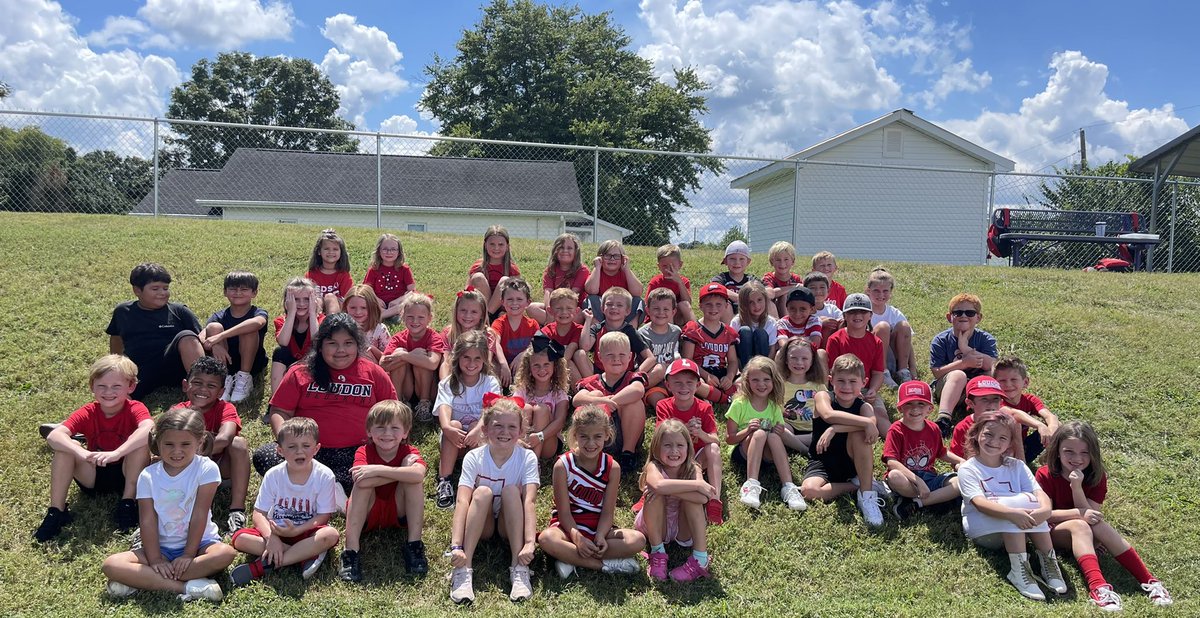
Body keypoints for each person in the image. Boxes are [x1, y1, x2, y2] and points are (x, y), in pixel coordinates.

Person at [253, 314, 398, 493]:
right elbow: (280, 411)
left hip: (358, 452)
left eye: (348, 343)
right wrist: (289, 444)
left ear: (358, 345)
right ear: (320, 346)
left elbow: (392, 413)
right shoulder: (301, 372)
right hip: (308, 452)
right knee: (264, 456)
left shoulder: (373, 372)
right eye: (332, 343)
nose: (340, 350)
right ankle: (327, 487)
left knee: (381, 471)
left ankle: (317, 487)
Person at [101, 408, 234, 602]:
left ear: (200, 442)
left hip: (200, 546)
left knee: (225, 553)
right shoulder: (148, 475)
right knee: (111, 565)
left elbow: (199, 514)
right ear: (158, 443)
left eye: (185, 444)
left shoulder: (206, 468)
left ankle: (142, 580)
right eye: (169, 444)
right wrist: (155, 559)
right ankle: (187, 586)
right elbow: (147, 520)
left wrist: (188, 554)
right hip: (159, 547)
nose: (176, 451)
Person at [1036, 421, 1172, 610]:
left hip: (1087, 533)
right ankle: (1098, 587)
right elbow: (1046, 515)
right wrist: (1079, 513)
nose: (1077, 458)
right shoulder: (1045, 474)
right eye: (1069, 451)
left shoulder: (1096, 476)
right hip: (1053, 532)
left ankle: (1150, 581)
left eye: (1084, 453)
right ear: (1057, 450)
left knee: (1095, 523)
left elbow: (1091, 514)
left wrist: (1076, 488)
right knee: (1080, 524)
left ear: (1093, 454)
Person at [35, 355, 151, 541]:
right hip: (93, 474)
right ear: (92, 387)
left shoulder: (135, 408)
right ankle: (57, 512)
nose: (108, 392)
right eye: (102, 386)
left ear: (131, 386)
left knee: (140, 446)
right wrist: (81, 451)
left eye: (116, 386)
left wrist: (118, 453)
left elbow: (148, 429)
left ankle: (128, 503)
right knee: (66, 447)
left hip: (127, 474)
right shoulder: (89, 411)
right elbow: (54, 435)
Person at [958, 413, 1066, 602]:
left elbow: (1040, 495)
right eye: (988, 434)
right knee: (1016, 503)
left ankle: (1048, 562)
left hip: (1018, 524)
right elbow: (979, 504)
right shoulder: (968, 468)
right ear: (976, 434)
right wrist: (1012, 513)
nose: (994, 442)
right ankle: (1019, 571)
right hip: (983, 529)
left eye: (1002, 438)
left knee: (1032, 501)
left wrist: (1046, 510)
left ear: (1010, 443)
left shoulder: (1016, 466)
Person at [447, 396, 540, 604]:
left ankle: (519, 567)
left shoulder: (527, 457)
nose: (504, 432)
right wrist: (456, 546)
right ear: (485, 429)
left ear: (521, 431)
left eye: (511, 427)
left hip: (510, 523)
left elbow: (530, 503)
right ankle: (463, 568)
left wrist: (529, 543)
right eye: (497, 426)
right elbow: (462, 501)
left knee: (510, 492)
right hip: (484, 525)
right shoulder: (474, 457)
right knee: (482, 493)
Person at [538, 405, 646, 579]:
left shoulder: (612, 467)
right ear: (574, 436)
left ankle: (569, 558)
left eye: (597, 437)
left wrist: (601, 536)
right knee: (546, 539)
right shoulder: (563, 465)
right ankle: (603, 565)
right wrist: (577, 538)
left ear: (607, 435)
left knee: (638, 540)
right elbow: (563, 513)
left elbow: (607, 512)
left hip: (598, 528)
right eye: (584, 437)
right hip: (567, 528)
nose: (591, 443)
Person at [232, 417, 342, 586]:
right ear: (280, 450)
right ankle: (303, 556)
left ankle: (263, 566)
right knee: (240, 538)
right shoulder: (274, 475)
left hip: (307, 531)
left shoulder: (324, 475)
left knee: (330, 535)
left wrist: (297, 530)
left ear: (316, 448)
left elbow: (323, 516)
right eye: (292, 447)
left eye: (306, 446)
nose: (300, 452)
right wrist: (271, 538)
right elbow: (259, 513)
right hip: (275, 530)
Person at [339, 400, 428, 582]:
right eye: (380, 427)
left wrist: (376, 470)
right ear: (369, 431)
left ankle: (414, 545)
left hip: (398, 508)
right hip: (369, 511)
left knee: (413, 482)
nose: (387, 433)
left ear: (405, 432)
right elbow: (361, 481)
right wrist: (402, 471)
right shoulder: (363, 451)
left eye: (395, 428)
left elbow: (418, 475)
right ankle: (351, 551)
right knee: (362, 485)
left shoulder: (410, 452)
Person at [800, 354, 886, 528]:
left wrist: (835, 429)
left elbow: (872, 431)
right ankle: (860, 487)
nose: (846, 387)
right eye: (841, 381)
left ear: (864, 382)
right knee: (809, 491)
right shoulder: (823, 397)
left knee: (859, 435)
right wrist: (866, 423)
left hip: (852, 461)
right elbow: (829, 415)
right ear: (831, 380)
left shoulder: (864, 407)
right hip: (822, 460)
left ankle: (867, 496)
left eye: (853, 381)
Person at [170, 357, 250, 532]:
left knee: (238, 443)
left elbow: (225, 438)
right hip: (185, 471)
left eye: (211, 386)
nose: (203, 389)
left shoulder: (225, 408)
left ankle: (237, 510)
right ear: (185, 385)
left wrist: (193, 451)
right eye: (197, 383)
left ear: (221, 392)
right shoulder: (177, 411)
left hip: (220, 469)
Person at [106, 262, 203, 401]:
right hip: (142, 369)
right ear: (137, 290)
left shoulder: (179, 310)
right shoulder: (123, 312)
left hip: (175, 367)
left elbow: (199, 338)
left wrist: (216, 344)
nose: (162, 293)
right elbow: (116, 338)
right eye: (155, 288)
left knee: (186, 336)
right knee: (117, 398)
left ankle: (199, 389)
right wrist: (114, 364)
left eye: (165, 288)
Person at [634, 419, 715, 582]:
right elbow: (657, 485)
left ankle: (701, 559)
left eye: (680, 445)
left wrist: (676, 491)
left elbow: (702, 498)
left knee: (692, 500)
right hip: (657, 525)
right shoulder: (654, 466)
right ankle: (657, 552)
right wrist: (696, 485)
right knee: (654, 494)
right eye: (667, 445)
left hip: (683, 527)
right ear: (657, 447)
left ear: (688, 447)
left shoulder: (693, 468)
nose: (674, 451)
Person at [726, 357, 805, 511]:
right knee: (760, 434)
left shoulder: (774, 405)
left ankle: (789, 487)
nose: (761, 384)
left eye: (766, 379)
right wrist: (748, 430)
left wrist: (779, 430)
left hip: (767, 456)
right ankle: (751, 484)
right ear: (747, 381)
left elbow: (780, 429)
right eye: (755, 380)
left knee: (773, 436)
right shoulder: (740, 404)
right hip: (743, 452)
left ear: (773, 381)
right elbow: (729, 439)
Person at [434, 330, 502, 510]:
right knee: (454, 424)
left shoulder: (490, 382)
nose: (471, 364)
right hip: (453, 442)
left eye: (477, 359)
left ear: (484, 360)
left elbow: (490, 411)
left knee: (477, 424)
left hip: (479, 439)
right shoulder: (448, 382)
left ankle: (479, 482)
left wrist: (478, 429)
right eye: (466, 358)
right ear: (457, 357)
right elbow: (444, 408)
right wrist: (447, 427)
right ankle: (445, 481)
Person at [655, 358, 724, 524]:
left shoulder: (704, 407)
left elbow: (715, 439)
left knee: (713, 448)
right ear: (668, 385)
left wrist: (700, 433)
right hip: (673, 456)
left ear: (698, 385)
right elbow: (659, 436)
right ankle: (651, 494)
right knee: (660, 454)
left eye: (689, 382)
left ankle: (715, 500)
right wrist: (685, 428)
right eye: (677, 382)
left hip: (698, 457)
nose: (684, 387)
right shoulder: (663, 405)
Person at [884, 381, 964, 520]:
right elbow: (891, 462)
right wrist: (918, 481)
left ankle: (917, 504)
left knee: (959, 482)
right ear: (900, 408)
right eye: (909, 404)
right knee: (894, 476)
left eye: (921, 404)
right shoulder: (896, 430)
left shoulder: (933, 429)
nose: (915, 409)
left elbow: (941, 453)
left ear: (930, 409)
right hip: (907, 480)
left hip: (929, 478)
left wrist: (962, 461)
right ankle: (935, 500)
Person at [573, 332, 648, 473]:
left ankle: (628, 454)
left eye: (621, 355)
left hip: (626, 434)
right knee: (594, 395)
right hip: (598, 434)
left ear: (630, 357)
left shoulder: (632, 377)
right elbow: (577, 400)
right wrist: (601, 401)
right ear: (600, 357)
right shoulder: (592, 381)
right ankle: (588, 452)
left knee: (634, 402)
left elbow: (638, 390)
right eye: (610, 355)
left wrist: (611, 402)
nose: (616, 359)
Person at [930, 293, 998, 437]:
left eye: (970, 312)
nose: (963, 316)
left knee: (991, 375)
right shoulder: (941, 340)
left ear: (978, 317)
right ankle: (944, 419)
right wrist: (964, 363)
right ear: (950, 317)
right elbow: (937, 372)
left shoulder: (985, 339)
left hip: (976, 390)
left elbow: (992, 366)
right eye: (958, 312)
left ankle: (989, 415)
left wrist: (965, 347)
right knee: (958, 375)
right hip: (948, 388)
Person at [824, 293, 889, 435]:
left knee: (880, 417)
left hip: (865, 390)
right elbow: (832, 371)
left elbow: (878, 372)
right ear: (845, 315)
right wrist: (851, 390)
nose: (857, 315)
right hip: (842, 388)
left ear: (870, 315)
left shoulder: (876, 342)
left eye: (862, 311)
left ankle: (896, 443)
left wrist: (873, 390)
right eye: (852, 312)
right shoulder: (835, 339)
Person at [199, 270, 268, 403]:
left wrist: (220, 337)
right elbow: (202, 336)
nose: (238, 293)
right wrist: (215, 345)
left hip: (251, 363)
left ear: (254, 293)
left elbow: (258, 323)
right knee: (213, 327)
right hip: (226, 361)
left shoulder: (257, 312)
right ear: (225, 292)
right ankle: (224, 378)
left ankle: (244, 379)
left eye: (244, 289)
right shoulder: (219, 316)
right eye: (233, 289)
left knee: (248, 329)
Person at [950, 375, 1049, 463]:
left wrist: (1039, 425)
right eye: (984, 399)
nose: (991, 404)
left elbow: (1020, 461)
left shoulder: (1007, 423)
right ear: (970, 403)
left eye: (995, 399)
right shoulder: (963, 427)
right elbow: (957, 460)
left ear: (1001, 401)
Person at [381, 293, 446, 422]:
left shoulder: (433, 337)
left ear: (429, 318)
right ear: (403, 317)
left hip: (427, 389)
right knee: (399, 351)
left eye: (420, 317)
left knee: (422, 359)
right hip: (407, 387)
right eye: (410, 317)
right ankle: (398, 403)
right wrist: (404, 355)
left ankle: (424, 404)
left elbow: (433, 363)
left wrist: (405, 356)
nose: (415, 321)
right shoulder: (399, 338)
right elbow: (383, 364)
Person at [512, 332, 570, 461]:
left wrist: (540, 436)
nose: (541, 370)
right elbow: (512, 414)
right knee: (525, 408)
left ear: (554, 367)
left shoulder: (558, 393)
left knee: (541, 409)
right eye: (536, 365)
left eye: (546, 365)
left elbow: (560, 421)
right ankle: (521, 456)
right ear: (529, 368)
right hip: (524, 440)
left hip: (548, 442)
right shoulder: (523, 390)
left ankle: (532, 463)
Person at [680, 283, 741, 404]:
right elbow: (688, 360)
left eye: (718, 304)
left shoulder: (729, 332)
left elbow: (733, 361)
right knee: (696, 383)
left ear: (726, 306)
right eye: (709, 304)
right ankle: (725, 399)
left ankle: (713, 396)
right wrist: (706, 376)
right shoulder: (693, 328)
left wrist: (729, 376)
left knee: (742, 382)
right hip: (700, 372)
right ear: (701, 306)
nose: (714, 308)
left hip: (721, 372)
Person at [994, 356, 1061, 464]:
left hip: (1022, 448)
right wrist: (1040, 425)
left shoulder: (1030, 400)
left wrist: (1051, 431)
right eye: (1002, 380)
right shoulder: (996, 402)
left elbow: (1050, 416)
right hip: (1000, 450)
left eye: (1013, 379)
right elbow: (1014, 414)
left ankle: (1054, 459)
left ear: (1025, 382)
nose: (1008, 384)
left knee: (1057, 425)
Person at [578, 286, 655, 378]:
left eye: (619, 305)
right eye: (609, 304)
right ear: (602, 309)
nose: (614, 307)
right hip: (600, 374)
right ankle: (594, 386)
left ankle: (624, 388)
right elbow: (585, 347)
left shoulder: (630, 332)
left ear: (627, 311)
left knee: (659, 369)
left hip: (624, 375)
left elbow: (650, 358)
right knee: (579, 354)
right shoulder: (597, 328)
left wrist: (634, 376)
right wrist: (588, 320)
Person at [440, 287, 510, 386]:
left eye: (474, 312)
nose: (468, 315)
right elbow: (446, 362)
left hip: (478, 374)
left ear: (482, 314)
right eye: (463, 310)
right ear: (456, 311)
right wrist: (445, 385)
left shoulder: (488, 334)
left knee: (494, 367)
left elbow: (485, 363)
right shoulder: (449, 333)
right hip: (454, 374)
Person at [270, 277, 324, 395]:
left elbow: (317, 341)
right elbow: (283, 342)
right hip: (290, 363)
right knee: (279, 352)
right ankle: (275, 401)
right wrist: (291, 313)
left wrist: (312, 312)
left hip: (313, 363)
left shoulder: (321, 320)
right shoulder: (282, 320)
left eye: (306, 299)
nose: (301, 304)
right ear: (287, 301)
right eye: (296, 299)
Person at [865, 267, 917, 385]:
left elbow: (907, 341)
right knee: (883, 327)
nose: (881, 295)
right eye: (876, 291)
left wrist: (912, 367)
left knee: (904, 326)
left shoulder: (894, 313)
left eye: (885, 291)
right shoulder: (864, 311)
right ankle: (882, 372)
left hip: (893, 356)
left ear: (891, 292)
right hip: (872, 356)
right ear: (868, 290)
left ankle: (903, 371)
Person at [777, 338, 826, 455]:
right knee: (778, 430)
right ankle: (806, 450)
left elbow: (829, 404)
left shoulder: (818, 385)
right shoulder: (780, 384)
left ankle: (793, 443)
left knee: (825, 433)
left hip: (813, 429)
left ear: (812, 361)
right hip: (789, 426)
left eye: (804, 358)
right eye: (794, 358)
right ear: (786, 360)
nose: (799, 362)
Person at [639, 287, 683, 410]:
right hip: (653, 380)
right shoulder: (642, 334)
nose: (661, 313)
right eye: (656, 309)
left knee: (689, 383)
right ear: (647, 310)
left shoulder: (676, 331)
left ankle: (719, 397)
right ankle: (670, 411)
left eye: (666, 309)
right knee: (657, 398)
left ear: (673, 312)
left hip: (673, 378)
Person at [584, 239, 645, 325]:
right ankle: (597, 331)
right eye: (607, 255)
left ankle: (631, 332)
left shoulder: (625, 273)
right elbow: (591, 290)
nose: (612, 259)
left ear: (623, 259)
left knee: (638, 301)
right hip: (603, 312)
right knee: (591, 299)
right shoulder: (597, 273)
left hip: (623, 313)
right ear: (600, 258)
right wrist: (597, 267)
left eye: (616, 256)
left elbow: (637, 292)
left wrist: (627, 269)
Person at [467, 225, 520, 322]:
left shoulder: (512, 269)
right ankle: (485, 316)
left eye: (501, 244)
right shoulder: (478, 266)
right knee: (478, 277)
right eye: (492, 244)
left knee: (505, 280)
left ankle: (488, 317)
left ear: (507, 246)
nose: (496, 248)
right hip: (481, 306)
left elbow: (517, 294)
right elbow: (467, 290)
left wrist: (504, 310)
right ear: (485, 245)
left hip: (503, 308)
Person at [362, 233, 415, 321]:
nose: (389, 252)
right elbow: (366, 289)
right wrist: (377, 299)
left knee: (410, 299)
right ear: (379, 251)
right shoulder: (374, 269)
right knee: (365, 298)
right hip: (379, 303)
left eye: (393, 249)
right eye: (385, 249)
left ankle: (381, 316)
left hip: (397, 303)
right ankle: (391, 314)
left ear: (399, 252)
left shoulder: (404, 269)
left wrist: (397, 300)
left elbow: (411, 291)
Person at [539, 232, 588, 324]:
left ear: (576, 252)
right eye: (561, 247)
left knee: (580, 315)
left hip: (572, 309)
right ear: (555, 250)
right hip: (555, 308)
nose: (565, 250)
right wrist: (550, 310)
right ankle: (559, 324)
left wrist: (562, 312)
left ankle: (554, 324)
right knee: (532, 308)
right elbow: (548, 293)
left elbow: (573, 295)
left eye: (569, 248)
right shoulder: (550, 270)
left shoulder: (582, 270)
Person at [491, 278, 539, 370]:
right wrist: (503, 364)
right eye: (510, 299)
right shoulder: (499, 323)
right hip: (503, 366)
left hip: (523, 366)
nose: (514, 303)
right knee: (492, 365)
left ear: (528, 302)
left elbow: (537, 344)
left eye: (519, 299)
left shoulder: (532, 324)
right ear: (502, 302)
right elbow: (495, 343)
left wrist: (523, 354)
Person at [540, 288, 587, 382]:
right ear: (550, 311)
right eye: (559, 308)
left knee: (570, 361)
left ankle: (584, 389)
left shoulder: (579, 329)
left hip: (570, 368)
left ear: (577, 311)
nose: (564, 312)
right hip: (551, 370)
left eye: (569, 308)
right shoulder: (546, 331)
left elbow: (572, 348)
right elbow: (538, 352)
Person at [711, 240, 760, 324]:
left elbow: (767, 292)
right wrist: (741, 298)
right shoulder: (722, 278)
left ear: (748, 262)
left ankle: (774, 332)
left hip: (750, 312)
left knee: (769, 303)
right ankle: (730, 334)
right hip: (729, 315)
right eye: (732, 259)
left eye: (741, 259)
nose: (737, 262)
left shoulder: (751, 279)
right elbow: (715, 288)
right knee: (725, 305)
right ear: (725, 261)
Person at [731, 281, 779, 367]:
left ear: (765, 300)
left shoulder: (771, 322)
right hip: (743, 362)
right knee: (745, 331)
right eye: (750, 302)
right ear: (744, 304)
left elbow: (772, 350)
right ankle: (745, 371)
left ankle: (761, 369)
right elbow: (732, 350)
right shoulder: (736, 322)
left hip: (763, 362)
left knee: (761, 333)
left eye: (759, 300)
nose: (756, 306)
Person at [305, 228, 353, 315]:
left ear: (341, 252)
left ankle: (332, 326)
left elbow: (347, 301)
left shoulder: (344, 275)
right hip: (316, 309)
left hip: (338, 310)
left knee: (330, 297)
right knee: (318, 300)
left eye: (335, 249)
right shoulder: (312, 274)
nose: (331, 252)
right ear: (319, 251)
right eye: (327, 248)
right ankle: (315, 324)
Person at [644, 243, 695, 325]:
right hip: (658, 316)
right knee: (666, 306)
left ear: (680, 265)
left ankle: (694, 332)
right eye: (664, 266)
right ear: (659, 266)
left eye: (672, 266)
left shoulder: (684, 281)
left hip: (676, 317)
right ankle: (668, 334)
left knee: (684, 304)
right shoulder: (656, 281)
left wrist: (680, 282)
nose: (668, 269)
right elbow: (648, 304)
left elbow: (688, 303)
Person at [342, 284, 389, 363]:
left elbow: (388, 357)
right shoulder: (341, 330)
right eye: (353, 308)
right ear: (346, 307)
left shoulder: (379, 329)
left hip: (373, 369)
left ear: (372, 307)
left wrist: (372, 349)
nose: (358, 312)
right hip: (347, 368)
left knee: (366, 351)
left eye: (364, 308)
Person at [762, 241, 803, 318]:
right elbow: (770, 294)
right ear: (771, 262)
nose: (782, 263)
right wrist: (792, 288)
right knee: (782, 297)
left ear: (793, 261)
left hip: (794, 311)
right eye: (778, 260)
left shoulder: (796, 279)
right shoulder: (768, 277)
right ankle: (781, 327)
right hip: (773, 314)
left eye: (786, 259)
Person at [805, 271, 842, 347]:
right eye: (813, 288)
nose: (818, 291)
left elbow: (843, 320)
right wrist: (819, 323)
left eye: (822, 287)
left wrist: (837, 323)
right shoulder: (804, 310)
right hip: (809, 344)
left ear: (828, 291)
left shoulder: (832, 309)